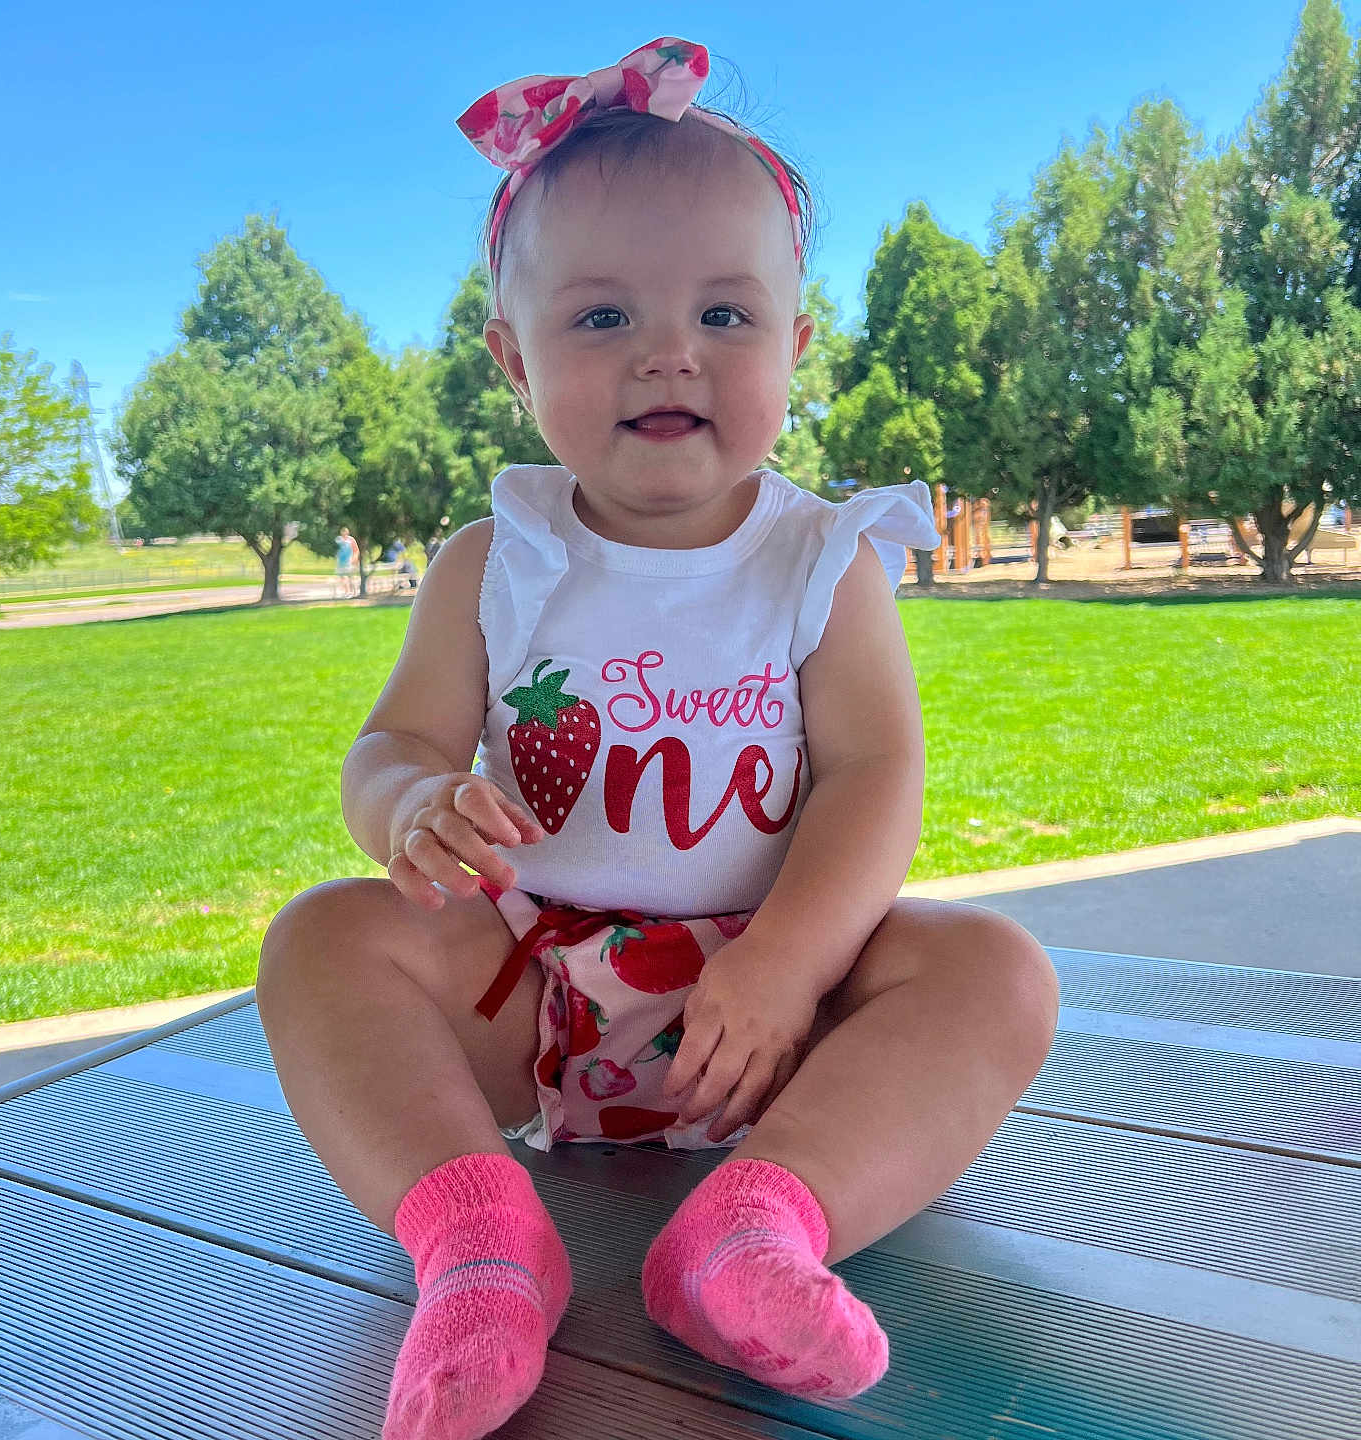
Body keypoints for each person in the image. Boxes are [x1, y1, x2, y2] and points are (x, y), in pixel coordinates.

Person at [257, 37, 1058, 1440]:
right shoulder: (487, 565)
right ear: (514, 358)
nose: (671, 350)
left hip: (777, 1014)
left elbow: (876, 777)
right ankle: (482, 1245)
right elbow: (388, 747)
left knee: (995, 975)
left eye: (728, 316)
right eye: (605, 316)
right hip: (530, 989)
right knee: (319, 943)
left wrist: (790, 965)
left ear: (797, 346)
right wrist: (410, 807)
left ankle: (757, 1230)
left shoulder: (822, 563)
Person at [334, 526, 358, 598]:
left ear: (347, 532)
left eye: (345, 532)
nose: (344, 533)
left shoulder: (351, 540)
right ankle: (347, 592)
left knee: (349, 577)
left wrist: (354, 559)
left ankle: (352, 592)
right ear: (341, 532)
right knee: (342, 577)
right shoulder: (338, 539)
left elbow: (355, 550)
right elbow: (335, 549)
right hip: (340, 562)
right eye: (343, 532)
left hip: (349, 562)